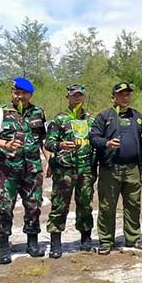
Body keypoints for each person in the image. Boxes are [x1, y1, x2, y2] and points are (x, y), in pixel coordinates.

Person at [0, 78, 49, 264]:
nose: (20, 96)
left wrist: (49, 159)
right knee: (5, 207)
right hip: (7, 170)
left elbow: (42, 139)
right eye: (16, 92)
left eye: (24, 93)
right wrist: (6, 144)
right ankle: (3, 245)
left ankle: (32, 242)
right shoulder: (0, 112)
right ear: (12, 93)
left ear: (30, 95)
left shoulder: (38, 112)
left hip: (32, 169)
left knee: (34, 206)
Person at [90, 82, 142, 254]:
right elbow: (93, 137)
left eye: (127, 94)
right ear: (113, 97)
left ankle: (133, 237)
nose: (125, 97)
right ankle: (106, 240)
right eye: (121, 94)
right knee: (107, 206)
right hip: (110, 169)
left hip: (132, 169)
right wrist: (106, 142)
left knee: (133, 205)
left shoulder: (137, 116)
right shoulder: (104, 116)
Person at [44, 84, 96, 258]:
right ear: (68, 98)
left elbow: (97, 142)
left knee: (85, 205)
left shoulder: (91, 120)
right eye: (74, 96)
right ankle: (55, 241)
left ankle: (86, 238)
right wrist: (60, 145)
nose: (77, 99)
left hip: (86, 169)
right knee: (59, 205)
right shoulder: (59, 119)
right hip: (64, 170)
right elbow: (48, 143)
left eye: (80, 96)